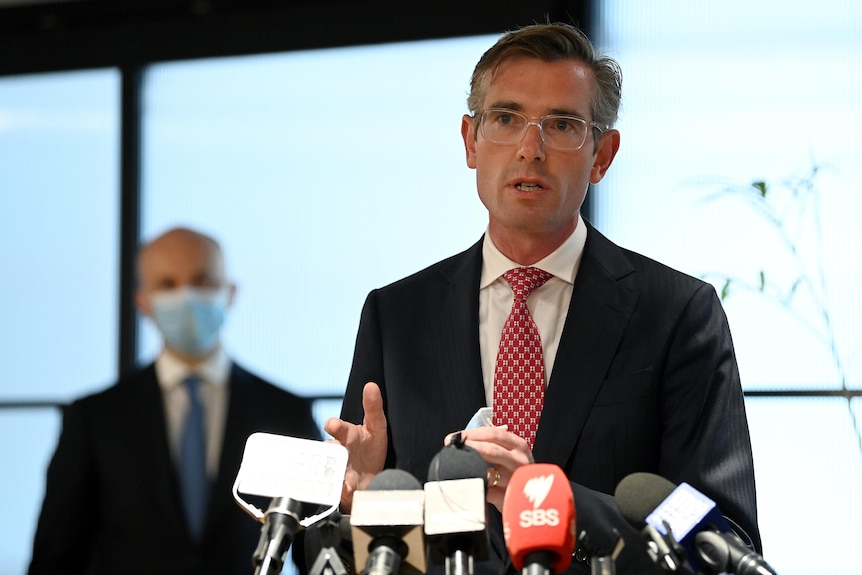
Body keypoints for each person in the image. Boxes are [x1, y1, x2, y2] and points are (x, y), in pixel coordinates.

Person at [324, 22, 761, 574]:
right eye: (506, 119)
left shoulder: (676, 314)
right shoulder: (397, 317)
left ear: (602, 155)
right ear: (470, 140)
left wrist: (556, 505)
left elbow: (722, 544)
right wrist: (358, 509)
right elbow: (351, 556)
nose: (531, 149)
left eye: (562, 125)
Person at [28, 227, 322, 575]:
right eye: (168, 284)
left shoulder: (285, 412)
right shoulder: (94, 419)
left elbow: (316, 549)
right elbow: (56, 557)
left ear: (230, 292)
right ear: (143, 302)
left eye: (202, 279)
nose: (187, 296)